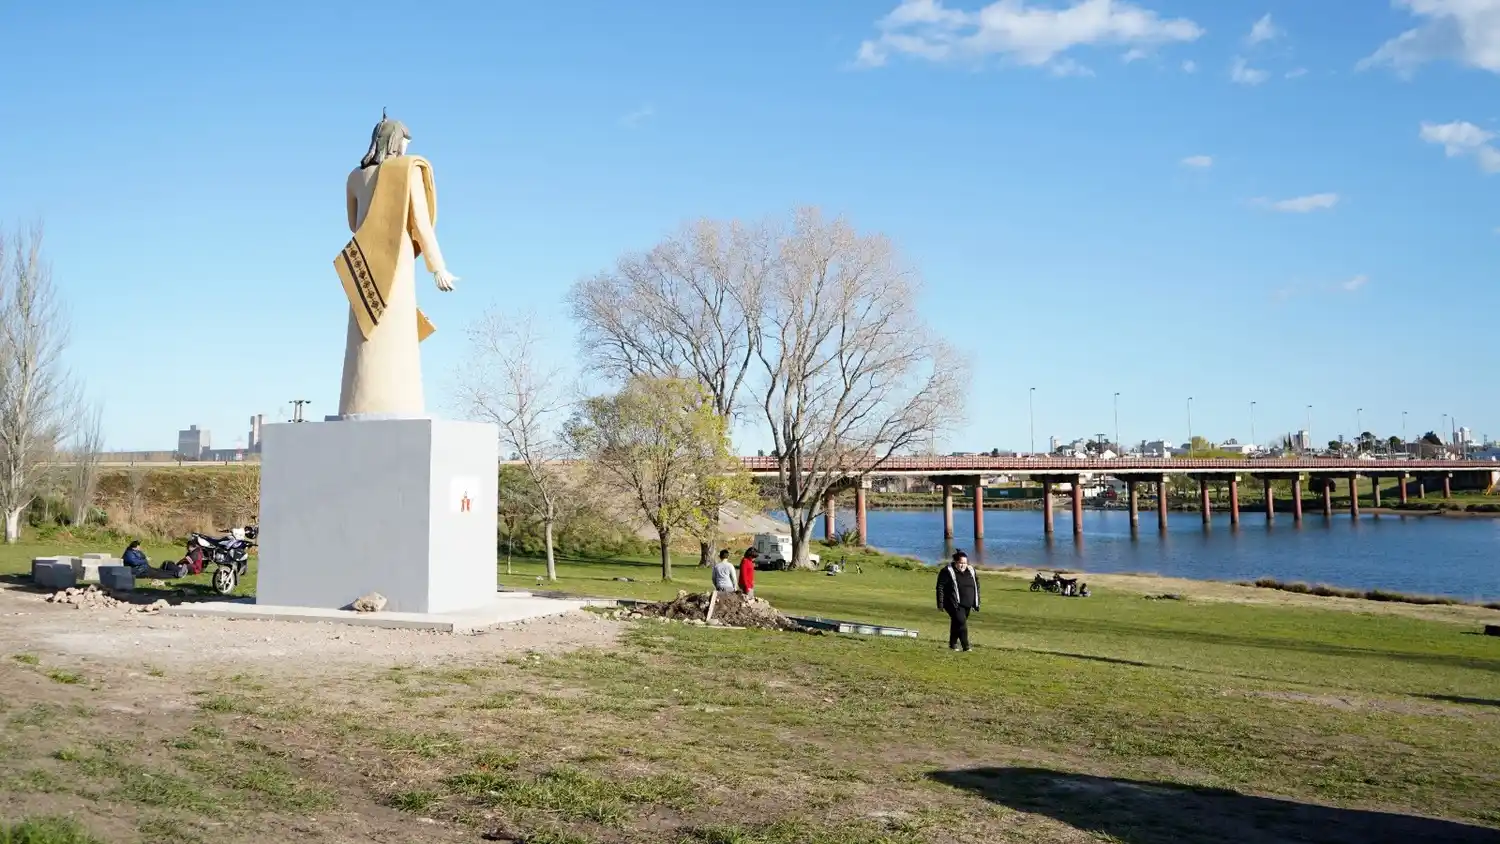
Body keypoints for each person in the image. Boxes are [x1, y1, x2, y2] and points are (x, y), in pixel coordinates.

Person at [935, 550, 981, 651]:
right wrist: (940, 603)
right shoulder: (947, 571)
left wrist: (977, 603)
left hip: (967, 603)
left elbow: (976, 586)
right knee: (961, 623)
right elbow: (940, 587)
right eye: (961, 563)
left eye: (965, 563)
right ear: (955, 562)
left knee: (957, 623)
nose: (963, 565)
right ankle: (966, 647)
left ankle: (952, 645)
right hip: (953, 603)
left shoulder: (971, 570)